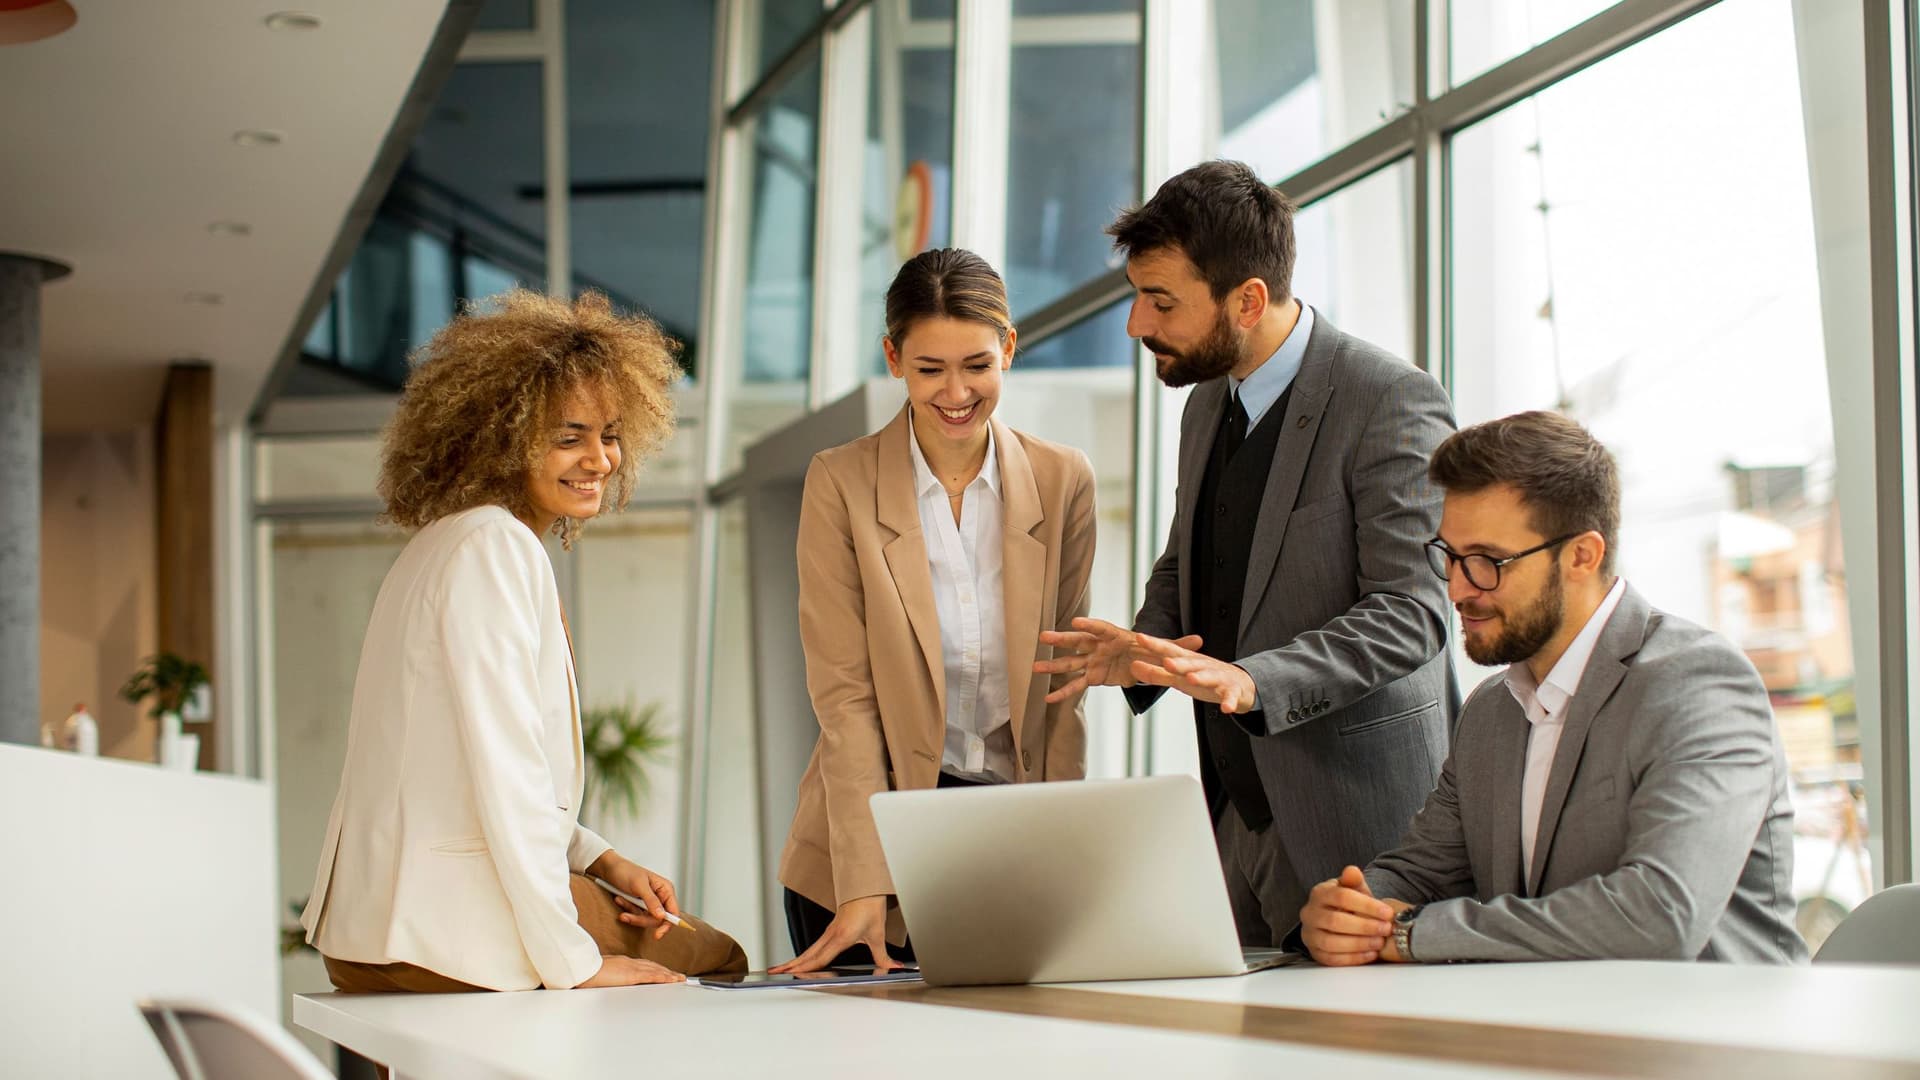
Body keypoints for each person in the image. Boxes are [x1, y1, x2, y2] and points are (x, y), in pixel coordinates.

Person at [1036, 159, 1458, 947]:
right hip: (1235, 815)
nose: (1136, 325)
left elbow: (1414, 613)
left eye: (1160, 302)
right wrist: (1144, 644)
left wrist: (1251, 680)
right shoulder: (1206, 403)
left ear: (1249, 299)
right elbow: (1190, 554)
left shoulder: (1389, 399)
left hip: (1363, 827)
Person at [301, 289, 747, 992]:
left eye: (610, 434)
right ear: (502, 437)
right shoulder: (494, 548)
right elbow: (506, 772)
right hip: (445, 931)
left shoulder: (443, 544)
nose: (599, 460)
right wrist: (576, 963)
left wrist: (601, 861)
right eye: (569, 437)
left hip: (372, 930)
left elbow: (458, 768)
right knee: (716, 956)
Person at [1295, 411, 1807, 965]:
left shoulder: (1700, 685)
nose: (1460, 589)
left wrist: (1409, 934)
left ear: (1582, 556)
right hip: (1548, 1031)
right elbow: (1422, 869)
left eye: (1489, 561)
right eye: (1450, 557)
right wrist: (1349, 909)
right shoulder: (1492, 709)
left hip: (1715, 1037)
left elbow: (1661, 916)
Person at [772, 248, 1098, 974]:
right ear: (893, 358)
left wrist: (1063, 861)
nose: (957, 392)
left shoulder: (1062, 479)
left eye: (977, 365)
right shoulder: (841, 483)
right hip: (865, 848)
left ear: (1009, 348)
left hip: (1004, 842)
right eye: (930, 370)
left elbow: (1062, 689)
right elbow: (845, 700)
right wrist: (865, 882)